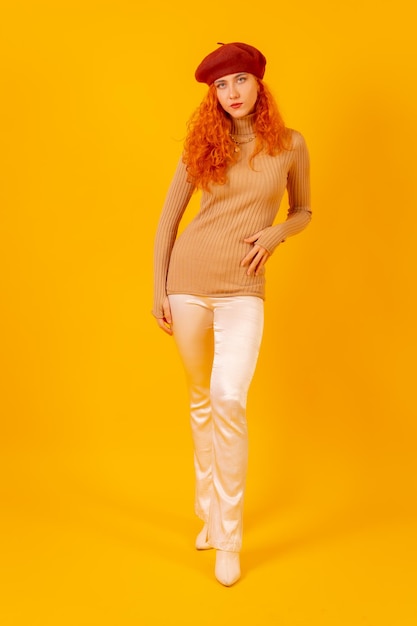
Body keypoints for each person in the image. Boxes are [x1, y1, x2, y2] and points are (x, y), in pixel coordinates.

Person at [152, 42, 311, 586]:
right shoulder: (202, 147)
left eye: (240, 80)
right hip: (188, 283)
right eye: (221, 85)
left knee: (227, 397)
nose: (232, 93)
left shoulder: (290, 145)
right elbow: (168, 222)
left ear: (258, 84)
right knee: (199, 398)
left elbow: (304, 209)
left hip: (244, 287)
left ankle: (230, 537)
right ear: (213, 95)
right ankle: (209, 513)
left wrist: (276, 233)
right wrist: (159, 287)